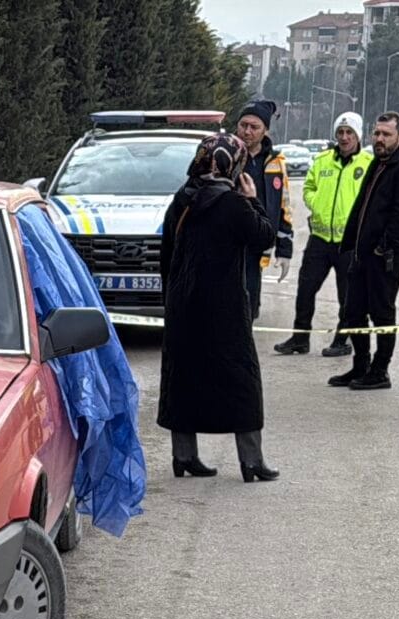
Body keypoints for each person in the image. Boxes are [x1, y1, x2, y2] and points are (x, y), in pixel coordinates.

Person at [156, 134, 278, 482]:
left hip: (183, 302)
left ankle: (184, 455)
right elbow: (264, 237)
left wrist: (173, 297)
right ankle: (251, 461)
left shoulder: (182, 200)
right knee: (242, 381)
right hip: (224, 307)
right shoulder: (233, 204)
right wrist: (254, 200)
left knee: (183, 377)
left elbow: (167, 253)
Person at [329, 112, 399, 393]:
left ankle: (380, 370)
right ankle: (361, 365)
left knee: (382, 314)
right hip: (361, 254)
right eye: (377, 133)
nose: (379, 139)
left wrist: (383, 249)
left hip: (385, 256)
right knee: (353, 311)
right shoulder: (378, 162)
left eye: (386, 134)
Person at [277, 111, 371, 357]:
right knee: (305, 289)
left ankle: (342, 340)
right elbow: (309, 187)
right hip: (319, 238)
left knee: (347, 296)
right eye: (340, 132)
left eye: (349, 132)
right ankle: (300, 338)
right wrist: (315, 202)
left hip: (349, 243)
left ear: (358, 135)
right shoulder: (322, 160)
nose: (344, 137)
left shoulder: (368, 165)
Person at [230, 99, 293, 316]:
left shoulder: (276, 162)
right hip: (227, 242)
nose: (247, 131)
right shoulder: (227, 156)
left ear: (265, 130)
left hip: (256, 244)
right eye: (243, 125)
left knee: (249, 306)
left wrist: (285, 249)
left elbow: (284, 205)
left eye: (254, 127)